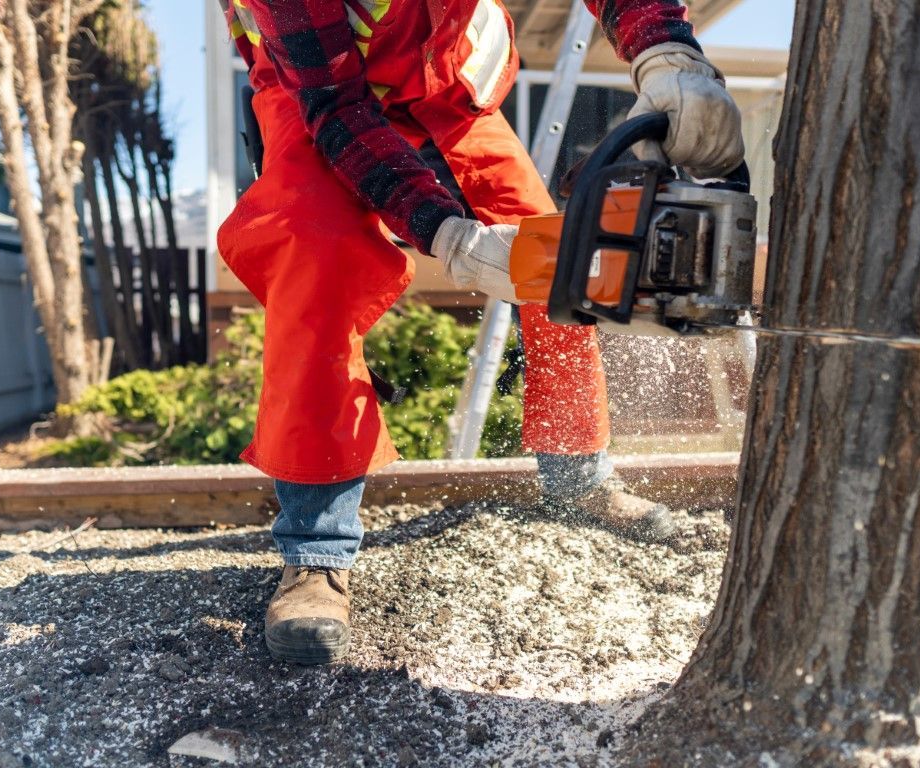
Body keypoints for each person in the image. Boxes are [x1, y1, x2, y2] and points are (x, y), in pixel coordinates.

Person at [215, 0, 745, 665]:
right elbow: (338, 109)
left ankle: (580, 478)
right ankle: (315, 549)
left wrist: (667, 53)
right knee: (314, 261)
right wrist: (448, 234)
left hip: (445, 84)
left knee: (556, 247)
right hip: (321, 94)